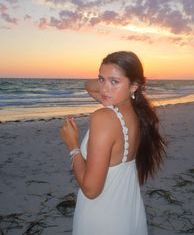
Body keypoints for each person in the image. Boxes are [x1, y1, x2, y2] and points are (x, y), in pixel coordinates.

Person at [60, 51, 166, 235]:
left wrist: (72, 146)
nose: (104, 89)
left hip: (101, 217)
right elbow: (89, 85)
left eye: (114, 82)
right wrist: (112, 77)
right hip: (125, 212)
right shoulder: (136, 113)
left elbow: (91, 189)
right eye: (101, 79)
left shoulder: (105, 118)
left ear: (134, 86)